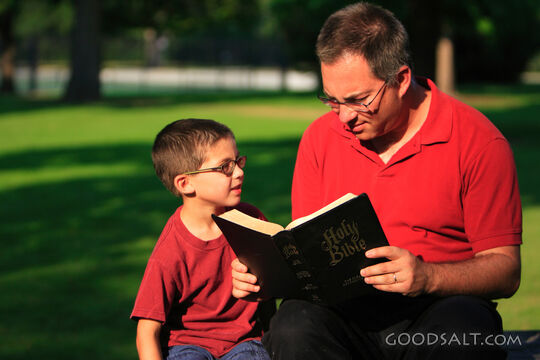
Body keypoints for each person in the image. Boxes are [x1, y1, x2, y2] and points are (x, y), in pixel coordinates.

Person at [231, 2, 522, 359]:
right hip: (345, 312)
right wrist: (264, 275)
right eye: (332, 100)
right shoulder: (319, 139)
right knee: (292, 324)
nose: (344, 118)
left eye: (358, 100)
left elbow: (506, 270)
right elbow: (305, 253)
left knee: (465, 332)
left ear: (400, 80)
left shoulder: (477, 141)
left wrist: (427, 276)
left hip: (438, 308)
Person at [131, 119, 272, 360]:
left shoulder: (251, 220)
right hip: (188, 345)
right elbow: (147, 329)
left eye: (238, 161)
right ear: (186, 183)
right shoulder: (171, 249)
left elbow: (272, 293)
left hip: (245, 341)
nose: (239, 172)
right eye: (225, 166)